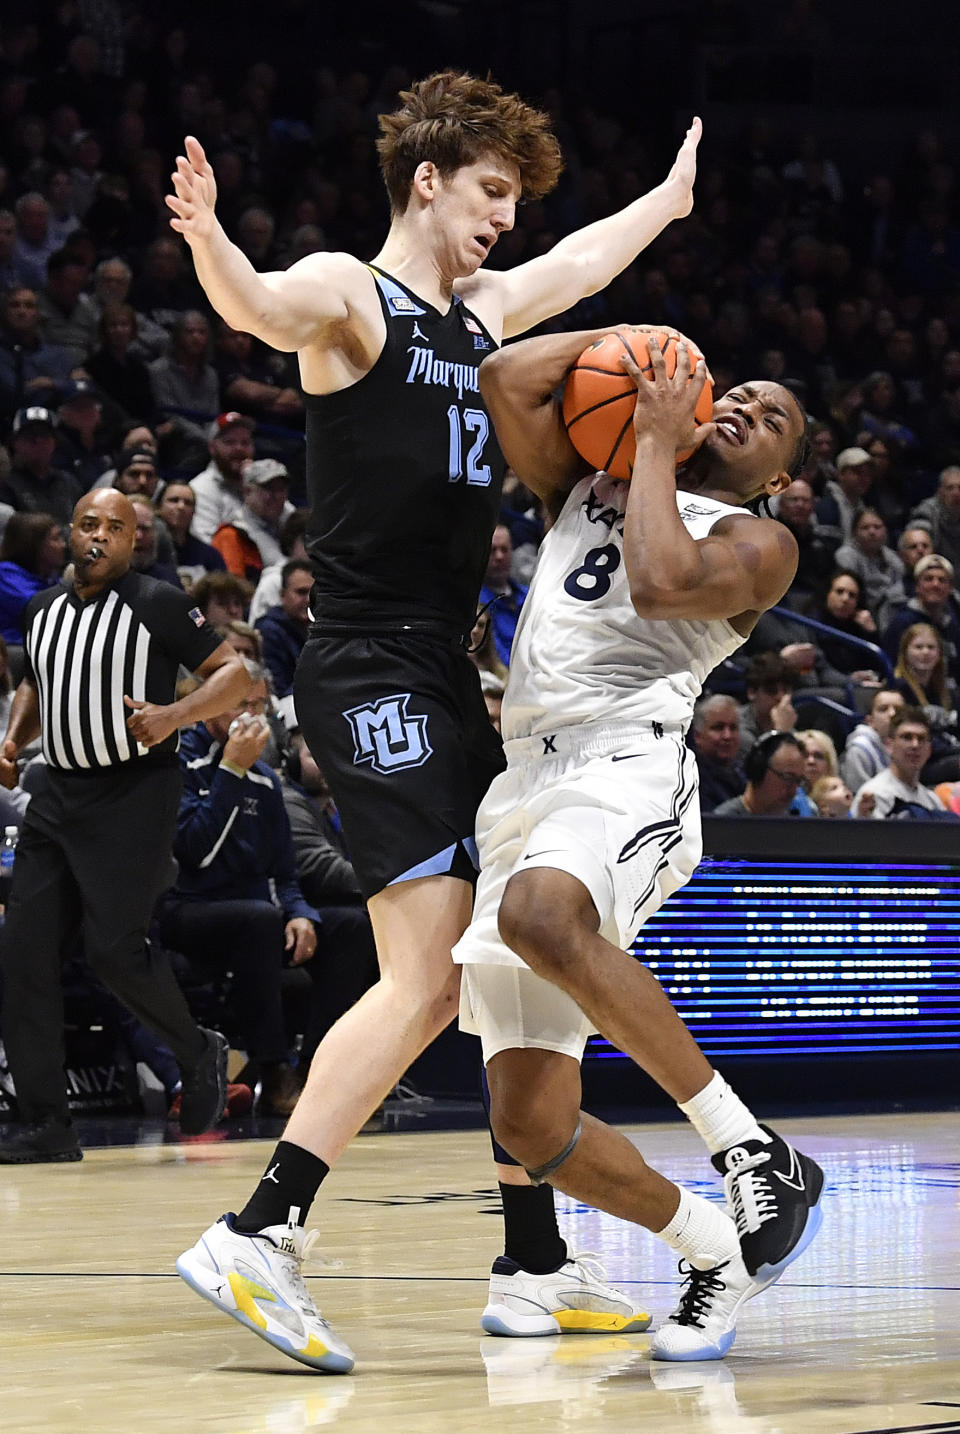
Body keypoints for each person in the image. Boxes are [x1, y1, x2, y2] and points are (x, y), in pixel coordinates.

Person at [172, 71, 703, 1371]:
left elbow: (578, 268)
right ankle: (260, 1232)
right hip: (366, 669)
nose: (504, 222)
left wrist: (668, 204)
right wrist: (213, 245)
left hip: (451, 672)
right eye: (490, 194)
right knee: (421, 975)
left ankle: (533, 1262)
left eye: (513, 200)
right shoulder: (356, 298)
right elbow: (262, 305)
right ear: (429, 182)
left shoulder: (486, 315)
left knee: (503, 968)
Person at [444, 330, 821, 1361]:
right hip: (523, 777)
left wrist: (657, 437)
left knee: (537, 916)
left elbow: (659, 583)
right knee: (528, 1121)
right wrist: (640, 346)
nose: (743, 404)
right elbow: (502, 378)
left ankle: (747, 1148)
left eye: (771, 415)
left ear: (782, 472)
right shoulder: (595, 471)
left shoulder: (759, 542)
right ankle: (711, 1248)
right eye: (734, 388)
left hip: (627, 767)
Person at [0, 488, 250, 1162]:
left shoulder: (163, 603)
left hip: (134, 793)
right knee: (22, 956)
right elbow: (34, 680)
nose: (100, 537)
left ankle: (200, 1052)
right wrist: (12, 739)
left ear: (135, 540)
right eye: (88, 525)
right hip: (56, 794)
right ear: (68, 534)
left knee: (115, 951)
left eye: (116, 527)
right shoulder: (42, 607)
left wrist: (174, 716)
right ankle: (47, 1124)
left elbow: (235, 675)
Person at [156, 665, 314, 1117]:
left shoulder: (266, 782)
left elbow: (285, 872)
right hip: (184, 908)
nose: (252, 716)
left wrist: (300, 912)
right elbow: (193, 852)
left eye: (258, 705)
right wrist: (230, 769)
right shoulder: (179, 761)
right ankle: (274, 1068)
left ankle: (319, 1068)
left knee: (349, 928)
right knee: (259, 920)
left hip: (248, 918)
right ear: (207, 707)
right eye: (241, 704)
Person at [280, 732, 379, 1063]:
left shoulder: (338, 809)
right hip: (292, 911)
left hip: (324, 909)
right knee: (356, 925)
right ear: (292, 762)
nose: (325, 763)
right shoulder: (289, 800)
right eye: (313, 755)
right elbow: (319, 867)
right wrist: (387, 885)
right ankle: (318, 1062)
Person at [891, 623, 960, 783]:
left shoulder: (946, 689)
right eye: (918, 647)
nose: (925, 652)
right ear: (905, 652)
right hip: (919, 764)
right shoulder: (899, 688)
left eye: (931, 647)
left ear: (939, 653)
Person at [851, 707, 950, 818]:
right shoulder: (875, 795)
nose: (915, 745)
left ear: (929, 750)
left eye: (921, 739)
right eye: (907, 737)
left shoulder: (932, 800)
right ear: (889, 745)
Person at [211, 458, 291, 582]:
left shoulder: (292, 521)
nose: (277, 496)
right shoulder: (232, 534)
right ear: (247, 491)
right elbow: (233, 588)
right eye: (269, 489)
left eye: (281, 489)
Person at [0, 405, 82, 526]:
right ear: (15, 442)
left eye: (44, 435)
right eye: (30, 435)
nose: (38, 441)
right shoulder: (6, 486)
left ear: (54, 442)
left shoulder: (69, 482)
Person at [188, 410, 256, 543]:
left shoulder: (262, 483)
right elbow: (208, 543)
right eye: (230, 442)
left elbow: (291, 524)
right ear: (212, 448)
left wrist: (253, 484)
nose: (239, 448)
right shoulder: (201, 488)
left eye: (245, 443)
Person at [0, 511, 65, 644]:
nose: (63, 545)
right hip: (15, 648)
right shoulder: (5, 575)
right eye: (55, 539)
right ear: (35, 546)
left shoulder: (48, 577)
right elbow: (39, 610)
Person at [713, 731, 810, 817]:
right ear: (758, 770)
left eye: (798, 781)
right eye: (788, 778)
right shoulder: (723, 823)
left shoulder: (791, 825)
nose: (793, 791)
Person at [255, 558, 312, 698]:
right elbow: (279, 687)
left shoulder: (321, 626)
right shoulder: (269, 630)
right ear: (282, 595)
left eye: (313, 592)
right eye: (301, 592)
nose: (309, 599)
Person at [155, 481, 225, 588]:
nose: (181, 506)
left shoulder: (210, 555)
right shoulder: (149, 552)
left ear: (194, 512)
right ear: (158, 507)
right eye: (174, 500)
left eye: (188, 503)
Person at [477, 523, 528, 666]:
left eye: (504, 549)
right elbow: (494, 655)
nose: (499, 556)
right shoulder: (476, 603)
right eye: (493, 550)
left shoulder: (530, 596)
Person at [688, 693, 746, 812]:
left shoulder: (742, 771)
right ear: (697, 736)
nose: (727, 736)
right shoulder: (690, 778)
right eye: (718, 728)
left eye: (733, 728)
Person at [840, 687, 905, 791]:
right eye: (883, 709)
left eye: (898, 710)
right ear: (870, 720)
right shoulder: (859, 750)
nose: (892, 714)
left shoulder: (910, 746)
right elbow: (861, 798)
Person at [736, 653, 798, 761]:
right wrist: (781, 731)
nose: (780, 697)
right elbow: (765, 773)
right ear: (752, 692)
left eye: (786, 690)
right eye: (771, 690)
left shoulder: (789, 727)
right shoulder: (735, 728)